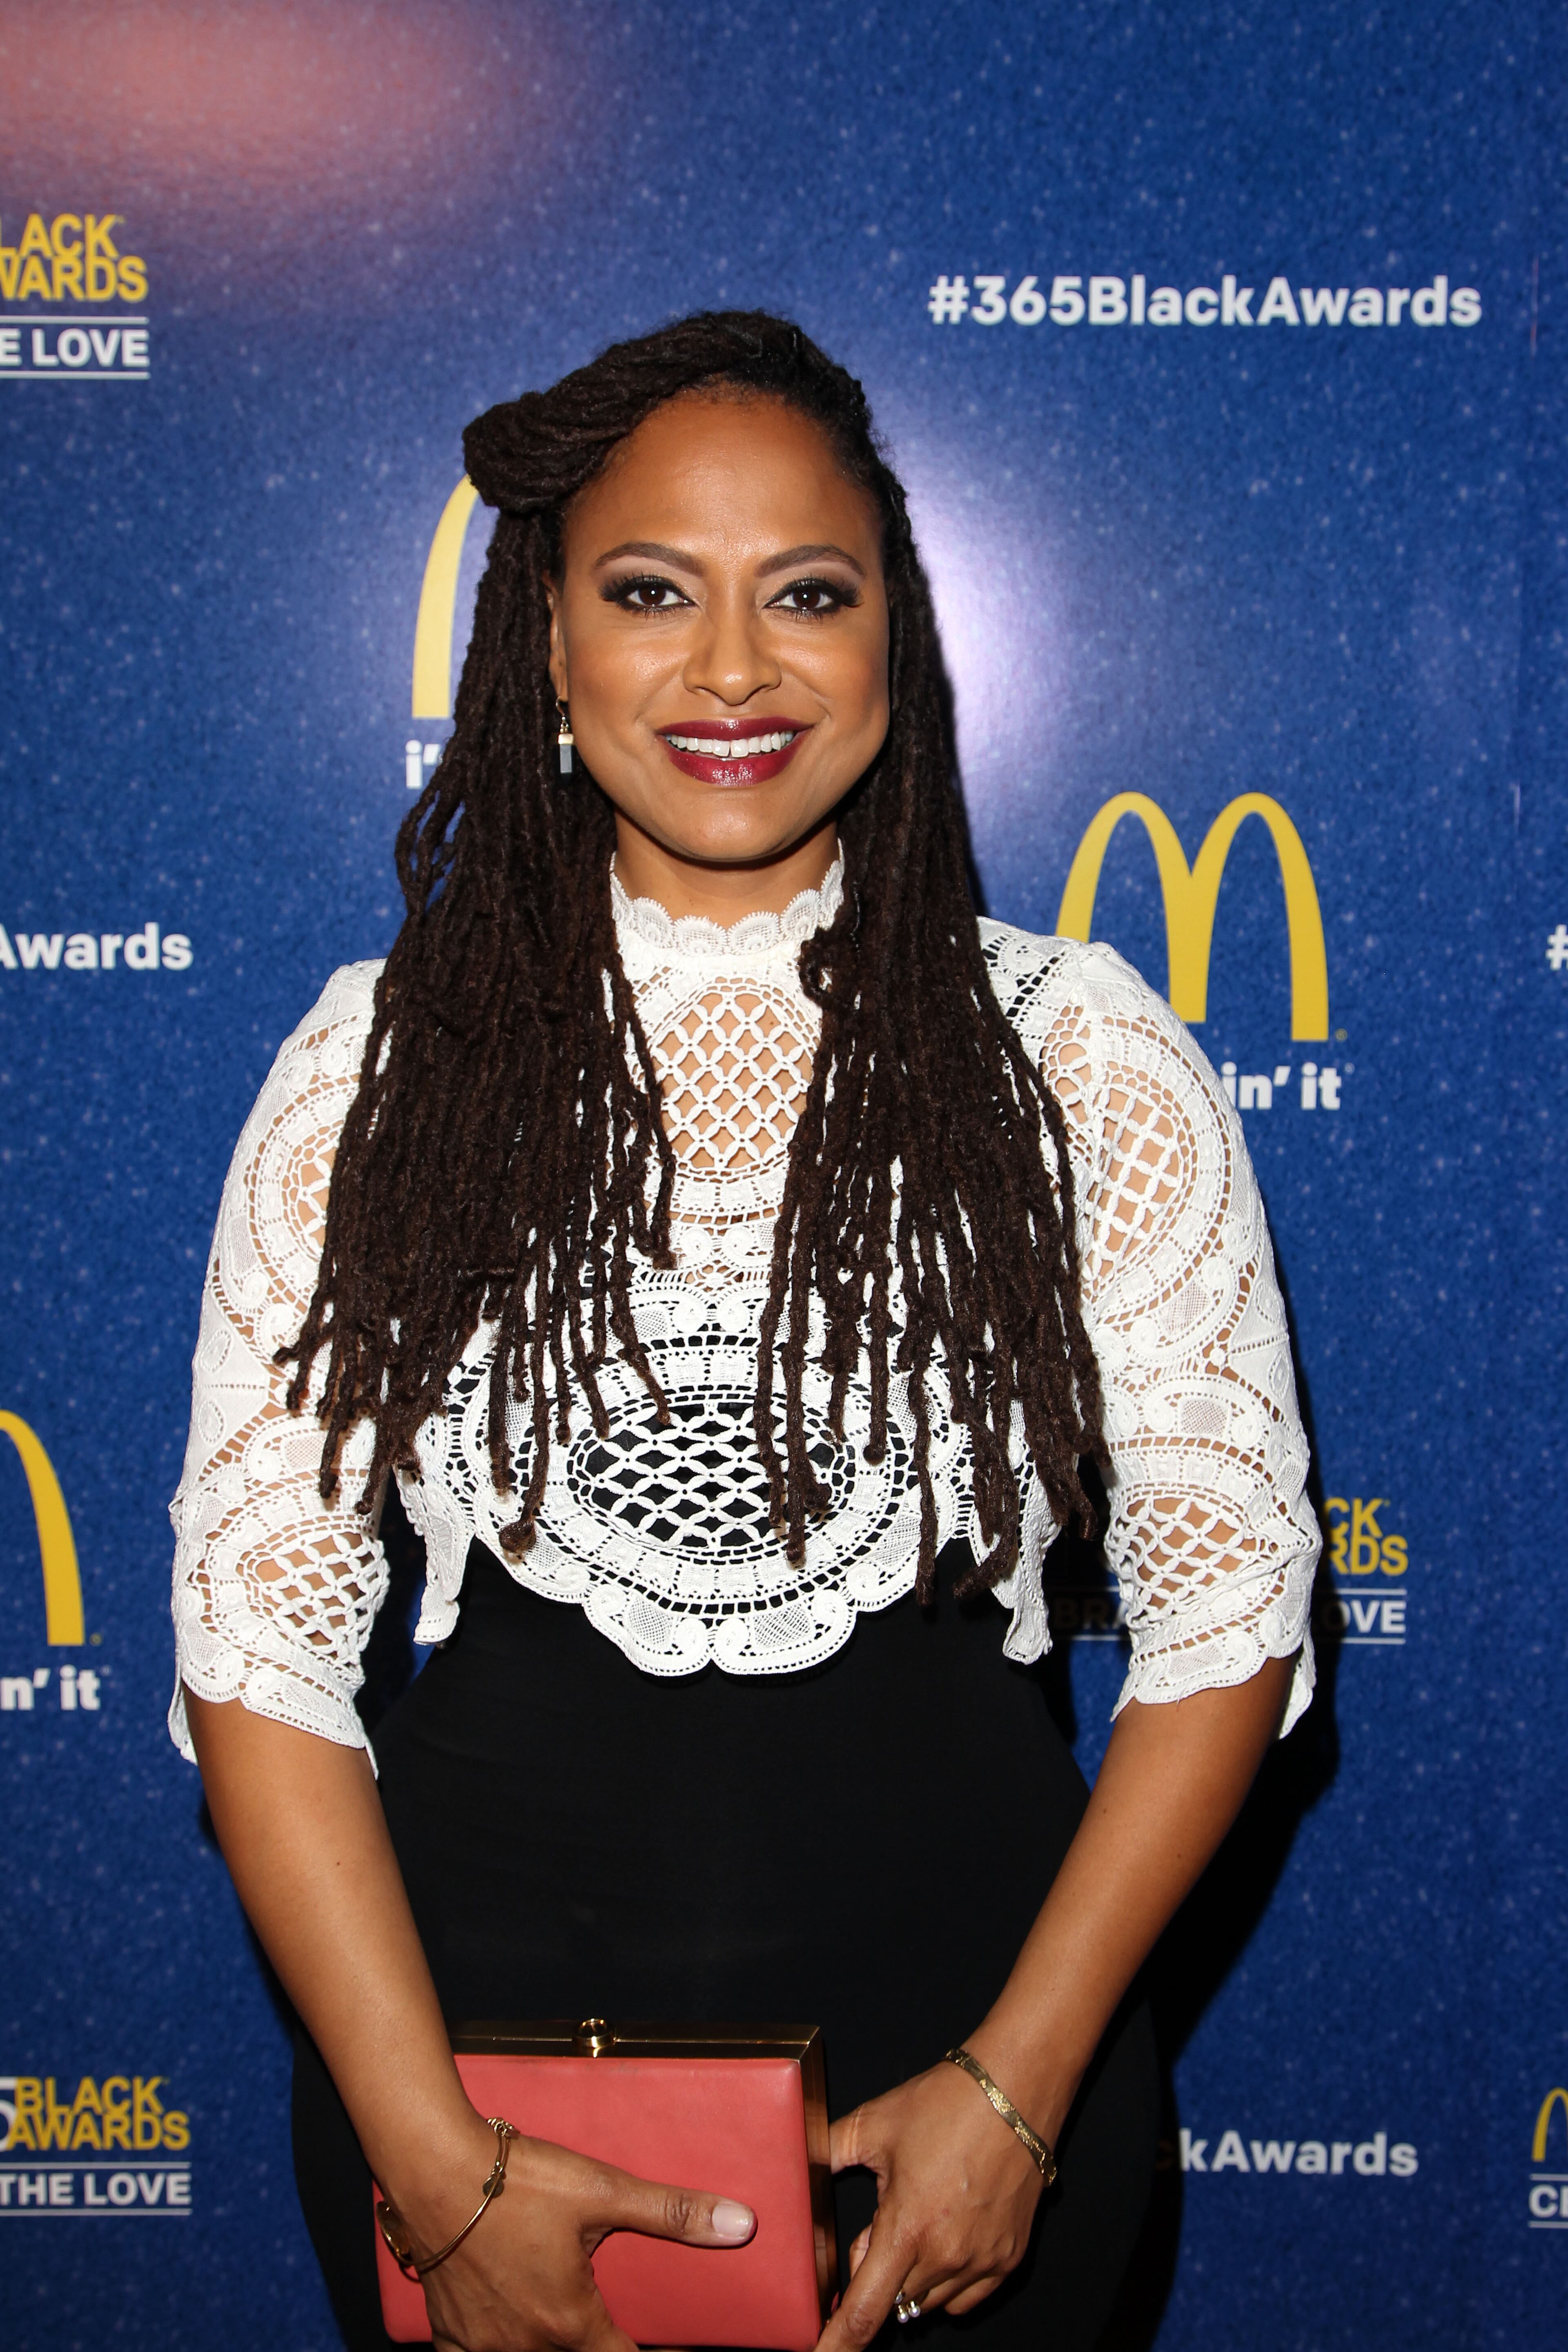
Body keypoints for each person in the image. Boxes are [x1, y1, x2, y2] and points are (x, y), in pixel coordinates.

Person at [169, 311, 1319, 2352]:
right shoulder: (382, 1070)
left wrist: (1021, 2090)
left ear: (899, 642)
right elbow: (260, 1648)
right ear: (543, 643)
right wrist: (436, 2171)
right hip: (470, 2088)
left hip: (978, 2077)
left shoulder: (1082, 1062)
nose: (727, 670)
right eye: (645, 593)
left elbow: (1227, 1617)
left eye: (806, 592)